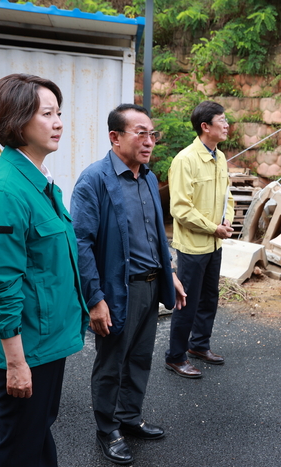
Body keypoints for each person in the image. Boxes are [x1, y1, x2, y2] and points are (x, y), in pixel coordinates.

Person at [0, 73, 89, 467]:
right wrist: (16, 363)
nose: (58, 123)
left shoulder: (38, 181)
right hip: (28, 348)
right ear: (17, 120)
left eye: (59, 113)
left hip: (46, 339)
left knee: (37, 432)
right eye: (47, 114)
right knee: (20, 445)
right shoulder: (5, 190)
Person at [71, 104, 186, 465]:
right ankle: (107, 428)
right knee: (111, 362)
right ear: (115, 137)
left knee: (139, 358)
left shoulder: (149, 178)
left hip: (151, 286)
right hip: (117, 289)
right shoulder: (94, 180)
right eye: (141, 133)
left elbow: (155, 235)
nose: (149, 141)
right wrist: (94, 299)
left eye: (152, 134)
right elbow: (81, 243)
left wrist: (171, 273)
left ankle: (129, 417)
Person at [165, 100, 234, 379]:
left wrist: (226, 220)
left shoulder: (220, 157)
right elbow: (180, 208)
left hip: (215, 243)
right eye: (222, 120)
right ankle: (175, 356)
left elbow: (227, 197)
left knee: (209, 298)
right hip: (193, 246)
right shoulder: (185, 160)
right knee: (187, 301)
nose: (227, 125)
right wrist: (212, 227)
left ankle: (199, 346)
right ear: (205, 127)